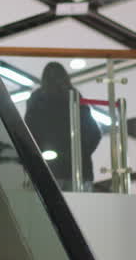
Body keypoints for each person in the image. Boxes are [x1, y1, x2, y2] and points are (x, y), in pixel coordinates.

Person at [24, 61, 101, 190]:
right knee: (80, 208)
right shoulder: (74, 97)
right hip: (78, 169)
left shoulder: (37, 100)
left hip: (48, 168)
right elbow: (94, 133)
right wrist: (81, 154)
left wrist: (37, 156)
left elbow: (28, 134)